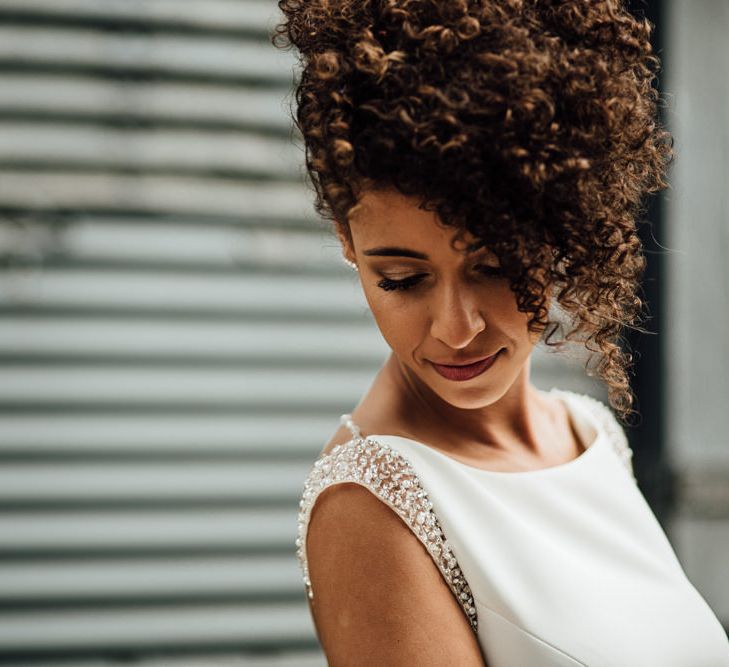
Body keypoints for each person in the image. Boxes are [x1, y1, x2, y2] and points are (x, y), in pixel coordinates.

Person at [273, 1, 729, 665]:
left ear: (559, 231)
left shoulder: (588, 432)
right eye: (402, 279)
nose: (456, 329)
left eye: (494, 268)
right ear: (347, 240)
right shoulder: (368, 507)